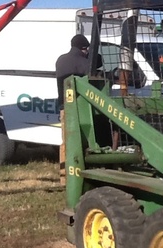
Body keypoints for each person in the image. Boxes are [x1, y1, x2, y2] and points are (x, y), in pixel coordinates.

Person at [55, 34, 90, 185]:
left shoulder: (61, 60)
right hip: (79, 108)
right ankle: (78, 176)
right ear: (84, 48)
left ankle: (64, 178)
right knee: (81, 143)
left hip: (64, 106)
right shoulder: (83, 62)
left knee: (65, 142)